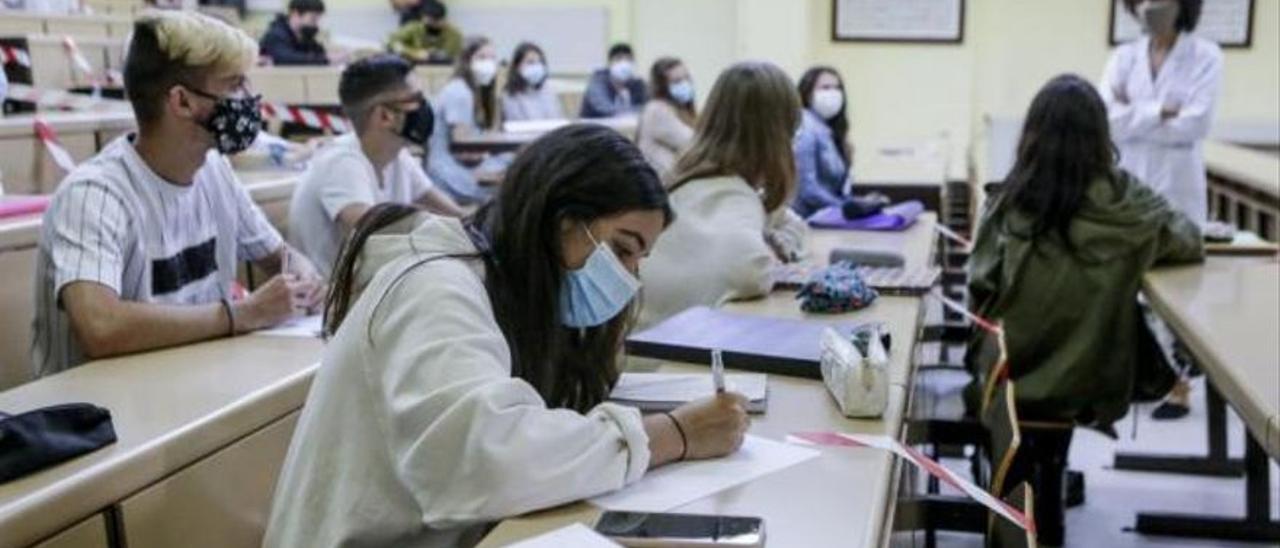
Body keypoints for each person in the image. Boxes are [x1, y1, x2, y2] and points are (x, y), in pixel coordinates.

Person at [264, 124, 751, 546]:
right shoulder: (435, 289)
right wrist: (675, 435)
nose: (629, 278)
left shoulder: (510, 293)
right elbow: (488, 458)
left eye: (638, 260)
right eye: (622, 250)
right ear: (562, 222)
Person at [966, 74, 1203, 546]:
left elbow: (979, 289)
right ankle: (1049, 496)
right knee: (1051, 434)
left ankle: (1017, 498)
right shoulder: (1128, 205)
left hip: (1010, 377)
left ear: (1031, 134)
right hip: (1090, 378)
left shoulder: (1007, 202)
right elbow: (1188, 238)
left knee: (1009, 401)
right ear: (1101, 138)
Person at [31, 11, 323, 377]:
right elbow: (99, 326)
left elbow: (282, 257)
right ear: (182, 102)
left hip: (190, 380)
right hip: (98, 413)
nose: (248, 99)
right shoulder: (92, 195)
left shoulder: (215, 170)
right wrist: (240, 315)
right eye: (234, 85)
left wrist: (303, 279)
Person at [1100, 0, 1221, 418]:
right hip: (1132, 180)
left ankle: (1181, 386)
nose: (1151, 5)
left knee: (1177, 287)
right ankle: (1146, 377)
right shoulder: (1124, 57)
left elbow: (1196, 123)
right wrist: (1161, 112)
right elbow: (1108, 120)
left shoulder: (1205, 55)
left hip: (1177, 184)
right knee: (1131, 285)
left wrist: (1135, 112)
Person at [639, 61, 808, 329]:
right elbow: (749, 271)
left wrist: (773, 242)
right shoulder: (730, 194)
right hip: (661, 363)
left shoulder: (698, 182)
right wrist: (770, 254)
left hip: (654, 348)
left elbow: (792, 224)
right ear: (779, 135)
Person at [288, 55, 465, 278]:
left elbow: (454, 216)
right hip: (334, 305)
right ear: (385, 116)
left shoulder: (399, 157)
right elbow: (374, 234)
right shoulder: (341, 162)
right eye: (416, 99)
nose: (425, 106)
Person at [426, 36, 502, 205]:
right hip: (450, 174)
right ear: (467, 61)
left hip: (463, 167)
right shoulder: (460, 92)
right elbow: (463, 150)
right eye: (481, 58)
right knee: (517, 177)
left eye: (492, 58)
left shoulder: (476, 92)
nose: (488, 64)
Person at [792, 66, 853, 218]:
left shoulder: (826, 129)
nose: (833, 93)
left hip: (825, 217)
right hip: (807, 220)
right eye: (825, 88)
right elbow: (807, 189)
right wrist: (846, 207)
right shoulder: (805, 126)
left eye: (837, 88)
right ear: (807, 93)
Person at [636, 57, 696, 180]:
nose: (685, 84)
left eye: (687, 78)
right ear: (662, 86)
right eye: (677, 81)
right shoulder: (657, 110)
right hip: (663, 188)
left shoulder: (681, 110)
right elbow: (695, 144)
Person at [580, 43, 647, 119]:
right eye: (619, 59)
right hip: (594, 128)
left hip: (625, 128)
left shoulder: (637, 84)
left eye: (628, 60)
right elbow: (606, 109)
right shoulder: (597, 82)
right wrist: (635, 111)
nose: (624, 64)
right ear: (609, 63)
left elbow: (647, 108)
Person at [501, 41, 564, 122]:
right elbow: (517, 124)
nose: (536, 67)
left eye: (539, 62)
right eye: (530, 62)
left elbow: (558, 120)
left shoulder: (549, 90)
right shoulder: (510, 94)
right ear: (517, 67)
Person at [387, 0, 463, 64]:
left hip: (441, 68)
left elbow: (451, 55)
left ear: (443, 20)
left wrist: (433, 55)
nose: (431, 26)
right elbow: (392, 42)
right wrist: (413, 53)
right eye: (428, 22)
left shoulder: (453, 34)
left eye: (435, 23)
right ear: (422, 18)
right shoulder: (414, 28)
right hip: (414, 65)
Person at [258, 0, 329, 66]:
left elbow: (318, 53)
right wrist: (325, 59)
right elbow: (285, 59)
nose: (316, 24)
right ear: (296, 14)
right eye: (313, 19)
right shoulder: (276, 35)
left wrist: (326, 57)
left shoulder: (303, 36)